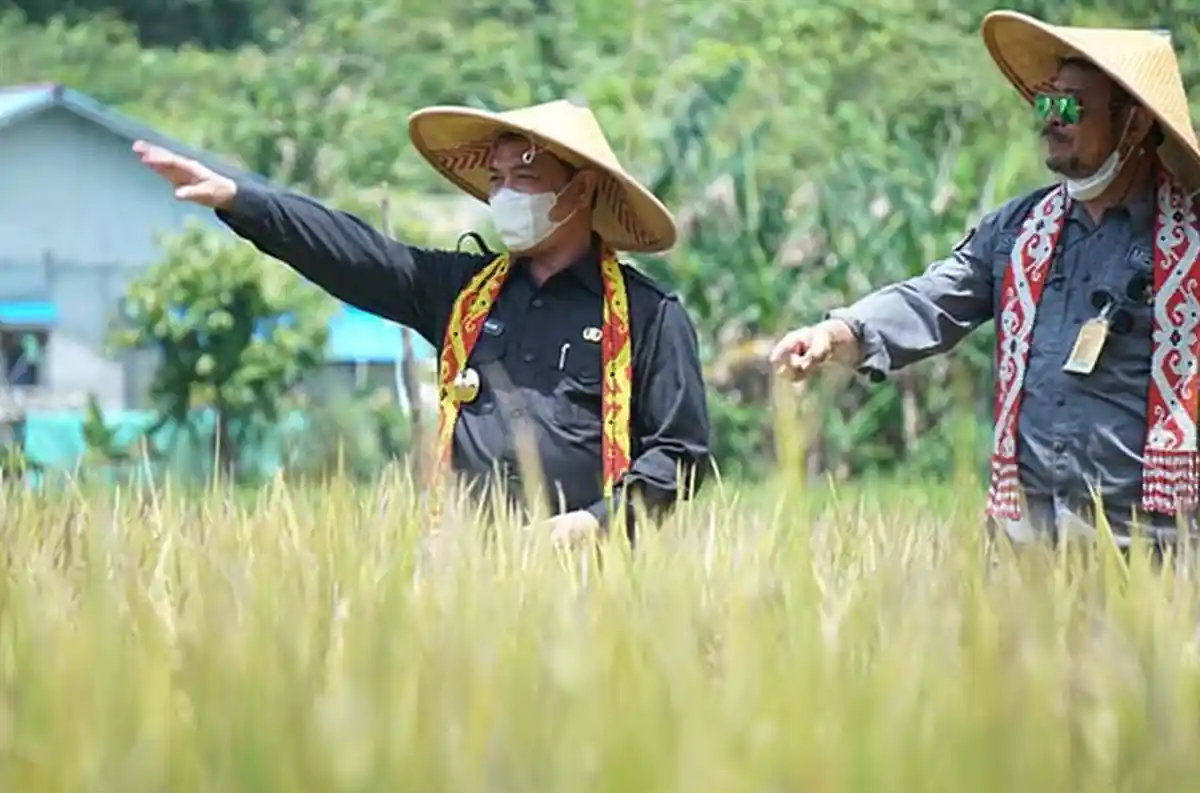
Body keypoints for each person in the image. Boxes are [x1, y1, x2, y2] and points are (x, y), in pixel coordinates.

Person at [133, 98, 711, 547]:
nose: (505, 193)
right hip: (465, 577)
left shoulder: (649, 317)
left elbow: (679, 455)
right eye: (498, 179)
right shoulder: (460, 294)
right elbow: (356, 252)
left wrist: (591, 526)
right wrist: (242, 201)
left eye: (525, 180)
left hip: (589, 578)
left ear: (580, 189)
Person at [769, 11, 1200, 557]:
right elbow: (931, 299)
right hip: (1025, 552)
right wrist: (838, 332)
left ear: (1134, 124)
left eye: (1071, 106)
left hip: (1152, 554)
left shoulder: (1191, 244)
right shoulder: (1019, 232)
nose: (1051, 118)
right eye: (1046, 103)